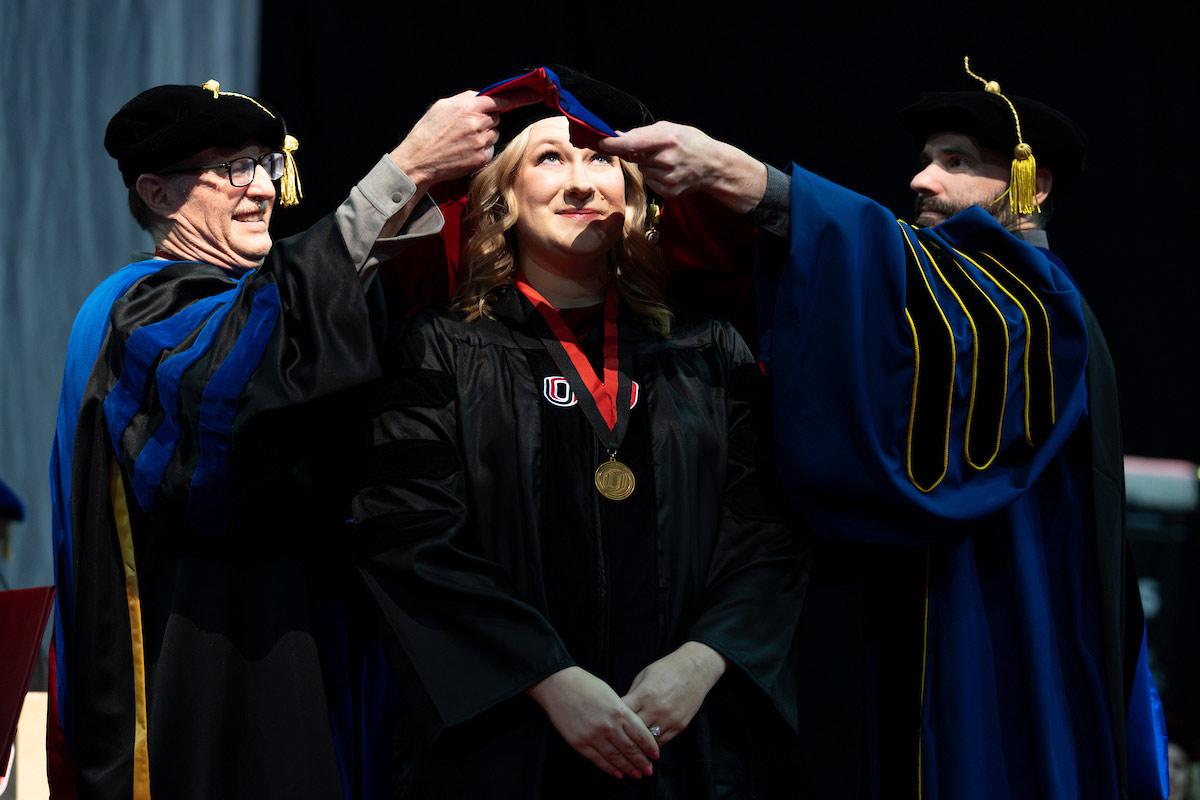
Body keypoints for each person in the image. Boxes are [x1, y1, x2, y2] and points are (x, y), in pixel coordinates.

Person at [601, 60, 1169, 799]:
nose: (923, 181)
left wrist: (747, 179)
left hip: (997, 621)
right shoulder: (960, 297)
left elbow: (892, 272)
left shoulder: (1036, 298)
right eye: (927, 159)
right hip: (904, 615)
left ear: (1033, 183)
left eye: (956, 162)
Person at [49, 78, 517, 799]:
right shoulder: (141, 310)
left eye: (267, 164)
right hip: (212, 669)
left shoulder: (227, 302)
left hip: (297, 641)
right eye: (232, 168)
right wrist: (402, 172)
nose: (264, 189)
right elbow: (247, 391)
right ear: (157, 192)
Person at [352, 67, 807, 798]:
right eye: (549, 158)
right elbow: (408, 537)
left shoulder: (709, 354)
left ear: (637, 197)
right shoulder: (439, 350)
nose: (580, 181)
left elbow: (767, 531)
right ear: (499, 199)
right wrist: (548, 678)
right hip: (506, 741)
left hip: (682, 736)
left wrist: (704, 658)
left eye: (602, 159)